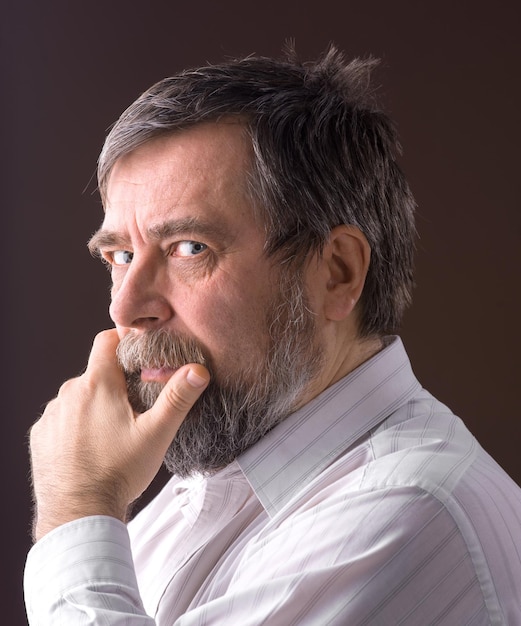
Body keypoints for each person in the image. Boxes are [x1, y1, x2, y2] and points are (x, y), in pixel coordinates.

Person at [24, 46, 521, 625]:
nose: (126, 306)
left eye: (190, 249)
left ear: (337, 272)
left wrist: (78, 504)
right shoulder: (204, 485)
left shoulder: (408, 511)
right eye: (120, 254)